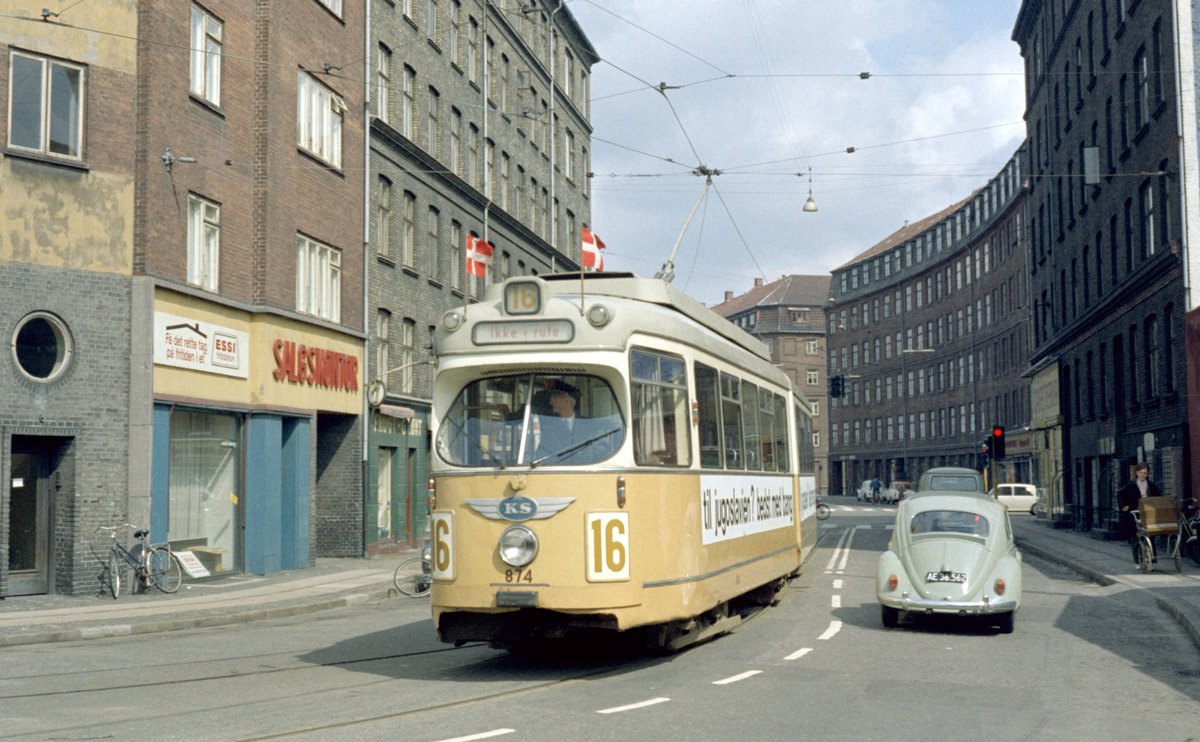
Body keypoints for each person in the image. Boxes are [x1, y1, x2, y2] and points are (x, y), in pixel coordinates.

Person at [1117, 462, 1161, 562]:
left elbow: (1158, 496)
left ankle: (1151, 558)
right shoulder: (1131, 485)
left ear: (1148, 474)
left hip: (1148, 513)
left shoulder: (1151, 485)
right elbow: (1120, 494)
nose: (1143, 475)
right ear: (1137, 473)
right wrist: (1124, 505)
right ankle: (1137, 560)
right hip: (1135, 512)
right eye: (1141, 473)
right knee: (1135, 537)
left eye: (1145, 473)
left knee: (1150, 535)